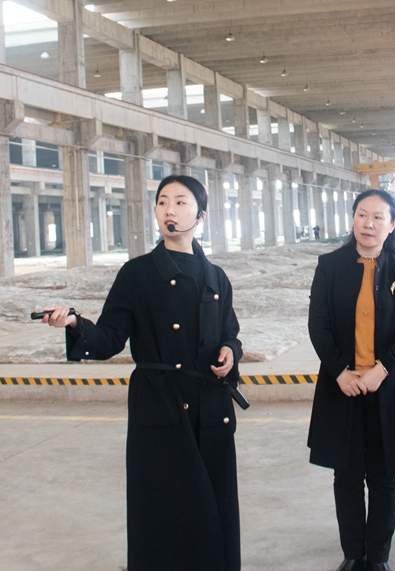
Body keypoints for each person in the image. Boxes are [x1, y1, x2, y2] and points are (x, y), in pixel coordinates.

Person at [40, 175, 244, 571]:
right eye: (162, 201)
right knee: (165, 513)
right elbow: (109, 339)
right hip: (161, 404)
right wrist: (74, 323)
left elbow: (230, 333)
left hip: (211, 407)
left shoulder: (216, 276)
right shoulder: (137, 274)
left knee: (214, 511)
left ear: (201, 215)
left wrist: (230, 353)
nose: (169, 209)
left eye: (180, 202)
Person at [307, 189, 395, 571]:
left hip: (389, 386)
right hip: (343, 387)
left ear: (392, 224)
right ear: (353, 219)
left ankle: (378, 557)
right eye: (362, 215)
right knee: (347, 476)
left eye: (378, 217)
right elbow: (318, 324)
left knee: (384, 477)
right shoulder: (330, 266)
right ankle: (353, 554)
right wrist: (339, 371)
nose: (368, 224)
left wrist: (382, 368)